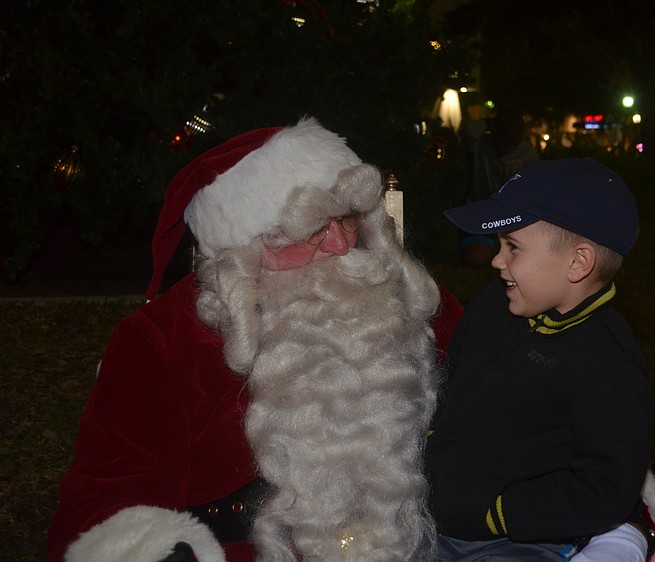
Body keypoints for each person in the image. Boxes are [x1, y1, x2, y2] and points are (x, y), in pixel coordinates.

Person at [47, 117, 464, 562]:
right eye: (311, 232)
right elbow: (105, 500)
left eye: (346, 220)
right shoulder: (165, 341)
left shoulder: (412, 311)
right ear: (243, 250)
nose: (341, 246)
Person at [426, 158, 655, 562]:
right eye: (499, 245)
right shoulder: (493, 304)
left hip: (519, 539)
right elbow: (447, 385)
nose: (497, 261)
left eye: (513, 247)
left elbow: (605, 488)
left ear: (578, 262)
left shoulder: (611, 369)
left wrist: (497, 514)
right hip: (430, 515)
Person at [459, 108, 539, 267]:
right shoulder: (481, 145)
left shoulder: (526, 153)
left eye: (513, 143)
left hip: (512, 219)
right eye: (505, 141)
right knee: (476, 258)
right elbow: (468, 131)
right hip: (480, 215)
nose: (508, 149)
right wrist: (488, 122)